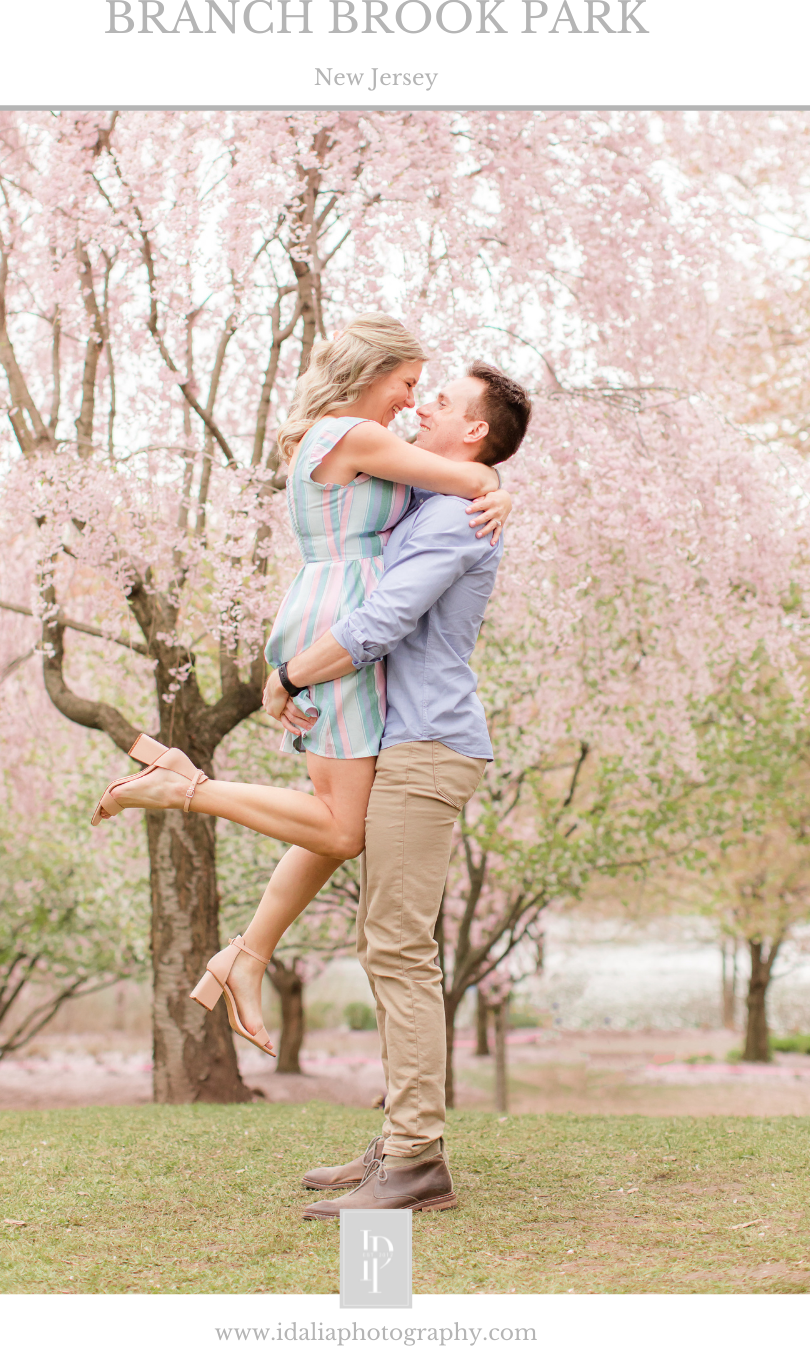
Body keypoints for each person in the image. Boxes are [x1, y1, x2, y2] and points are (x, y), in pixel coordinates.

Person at [91, 315, 511, 1056]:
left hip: (339, 612)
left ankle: (246, 952)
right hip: (342, 620)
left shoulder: (359, 439)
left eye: (424, 391)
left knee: (336, 815)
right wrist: (495, 486)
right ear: (373, 372)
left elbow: (457, 474)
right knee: (342, 826)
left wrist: (489, 479)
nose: (413, 403)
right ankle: (184, 786)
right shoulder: (351, 435)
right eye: (409, 384)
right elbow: (469, 474)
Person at [260, 360, 532, 1218]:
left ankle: (416, 1162)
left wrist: (289, 676)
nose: (423, 405)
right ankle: (401, 1141)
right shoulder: (441, 494)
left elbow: (382, 624)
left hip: (426, 745)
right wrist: (494, 480)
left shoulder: (455, 521)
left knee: (400, 947)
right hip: (402, 740)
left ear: (476, 431)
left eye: (442, 401)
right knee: (390, 946)